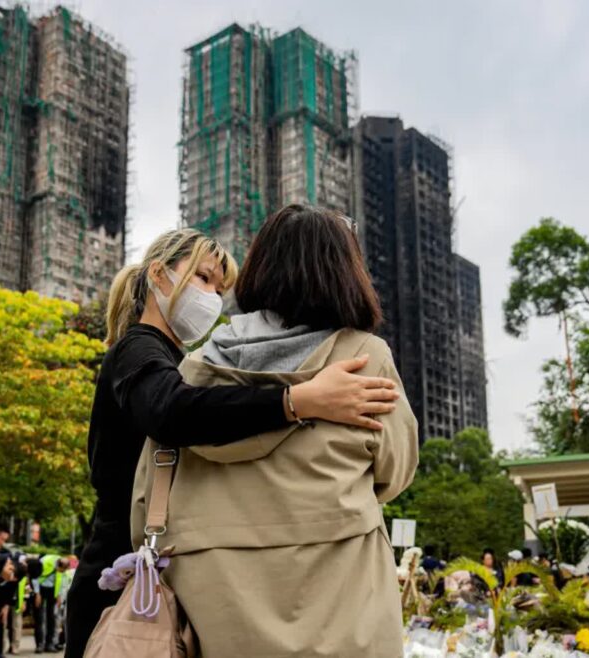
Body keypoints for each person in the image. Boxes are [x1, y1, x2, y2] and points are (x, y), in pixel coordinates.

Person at [65, 226, 404, 657]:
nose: (212, 296)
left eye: (220, 287)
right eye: (203, 278)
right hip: (121, 578)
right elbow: (173, 411)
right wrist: (297, 399)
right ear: (158, 274)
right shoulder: (140, 349)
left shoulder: (182, 360)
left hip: (150, 576)